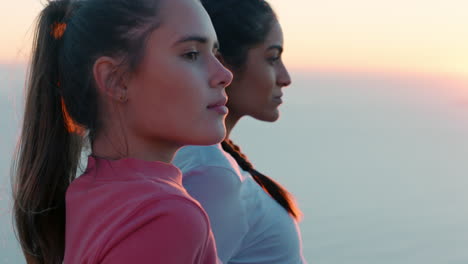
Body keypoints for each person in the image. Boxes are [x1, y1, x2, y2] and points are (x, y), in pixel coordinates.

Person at [11, 0, 233, 263]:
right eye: (192, 54)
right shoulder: (165, 217)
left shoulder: (88, 194)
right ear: (115, 80)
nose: (224, 74)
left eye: (214, 53)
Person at [173, 0, 307, 263]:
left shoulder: (204, 158)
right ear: (222, 66)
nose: (285, 77)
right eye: (272, 58)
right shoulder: (210, 171)